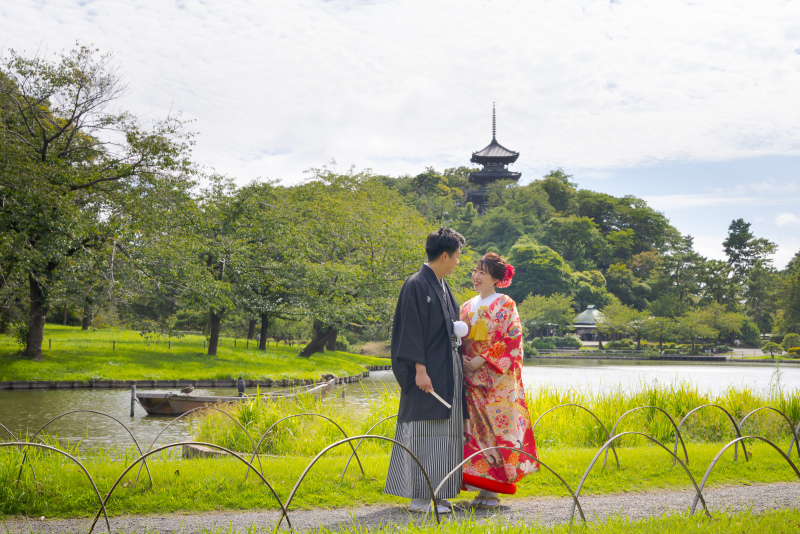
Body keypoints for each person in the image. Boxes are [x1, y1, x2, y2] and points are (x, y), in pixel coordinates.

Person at [384, 227, 467, 514]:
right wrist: (419, 368)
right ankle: (420, 498)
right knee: (423, 432)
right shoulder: (417, 284)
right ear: (445, 255)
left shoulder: (442, 285)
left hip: (445, 370)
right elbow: (411, 329)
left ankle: (438, 492)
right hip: (426, 374)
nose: (458, 262)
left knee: (444, 434)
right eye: (457, 256)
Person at [459, 252, 538, 508]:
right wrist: (461, 360)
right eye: (475, 271)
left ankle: (493, 492)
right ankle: (480, 487)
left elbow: (513, 338)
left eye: (482, 272)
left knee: (496, 432)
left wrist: (481, 360)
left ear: (495, 278)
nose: (476, 276)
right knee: (474, 433)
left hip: (497, 381)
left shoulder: (505, 303)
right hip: (469, 379)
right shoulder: (466, 306)